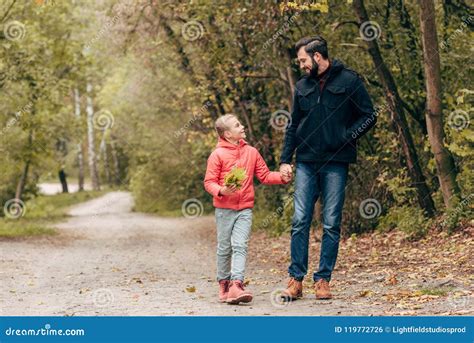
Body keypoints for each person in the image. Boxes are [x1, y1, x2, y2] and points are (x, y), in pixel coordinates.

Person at [279, 35, 376, 300]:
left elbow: (369, 115)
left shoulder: (350, 81)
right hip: (307, 161)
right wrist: (285, 159)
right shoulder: (301, 87)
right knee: (300, 220)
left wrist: (348, 136)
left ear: (317, 56)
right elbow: (293, 125)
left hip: (336, 162)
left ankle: (323, 280)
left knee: (331, 222)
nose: (301, 65)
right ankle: (296, 280)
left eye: (302, 60)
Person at [204, 114, 290, 304]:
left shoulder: (251, 152)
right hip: (224, 210)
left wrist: (282, 177)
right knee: (225, 248)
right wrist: (222, 190)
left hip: (245, 209)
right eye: (237, 125)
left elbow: (265, 175)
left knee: (240, 246)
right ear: (227, 134)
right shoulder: (217, 155)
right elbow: (209, 182)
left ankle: (237, 284)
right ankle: (224, 284)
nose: (242, 126)